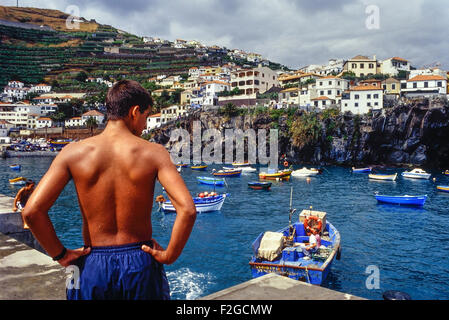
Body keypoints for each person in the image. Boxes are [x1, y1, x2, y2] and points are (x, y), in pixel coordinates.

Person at [22, 80, 197, 300]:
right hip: (140, 261)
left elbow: (32, 212)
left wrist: (61, 254)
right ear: (135, 112)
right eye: (146, 116)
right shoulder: (154, 153)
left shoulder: (72, 153)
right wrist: (170, 254)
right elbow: (188, 210)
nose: (145, 125)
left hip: (91, 263)